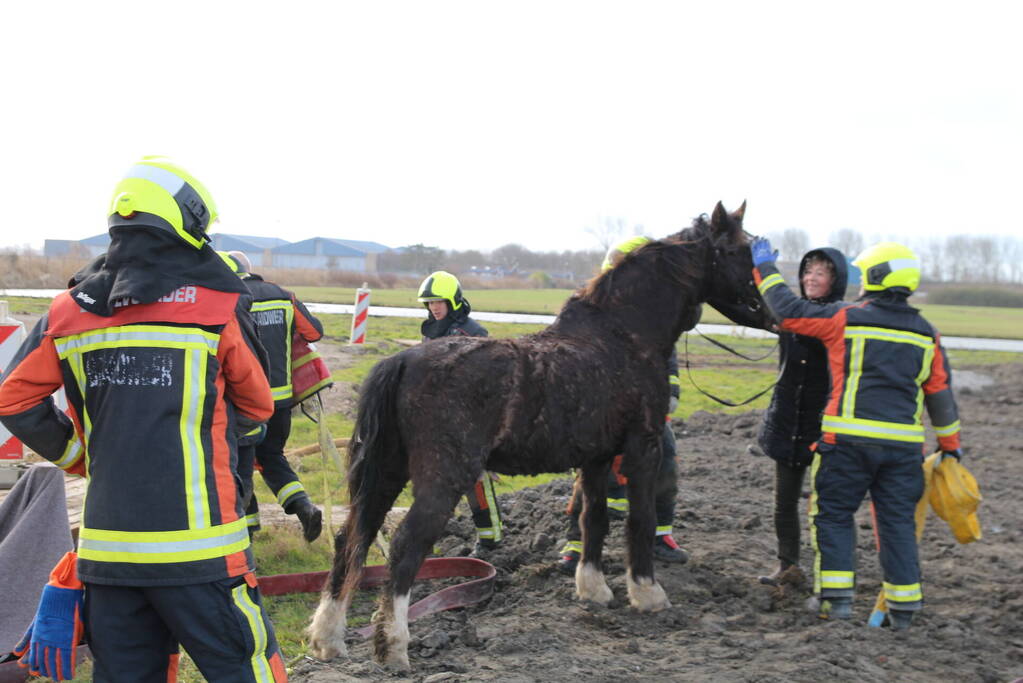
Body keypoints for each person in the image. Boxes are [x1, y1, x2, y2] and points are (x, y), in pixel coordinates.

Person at [0, 156, 288, 681]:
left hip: (109, 556)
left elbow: (14, 400)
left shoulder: (69, 310)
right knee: (246, 669)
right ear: (186, 224)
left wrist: (85, 457)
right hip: (205, 553)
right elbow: (257, 407)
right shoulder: (217, 306)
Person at [751, 239, 962, 630]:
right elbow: (941, 397)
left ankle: (837, 605)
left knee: (831, 518)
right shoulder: (927, 333)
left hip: (846, 445)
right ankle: (904, 611)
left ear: (876, 277)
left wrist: (764, 267)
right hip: (903, 453)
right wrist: (951, 448)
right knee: (897, 525)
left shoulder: (846, 318)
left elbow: (787, 311)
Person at [556, 236, 688, 574]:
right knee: (591, 476)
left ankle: (660, 537)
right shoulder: (589, 312)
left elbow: (666, 360)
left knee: (665, 462)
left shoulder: (655, 317)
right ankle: (577, 545)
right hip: (601, 411)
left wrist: (669, 394)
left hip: (644, 412)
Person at [755, 248, 848, 585]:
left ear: (835, 280)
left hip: (824, 428)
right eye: (807, 271)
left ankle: (829, 575)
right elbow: (761, 304)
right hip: (787, 423)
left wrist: (765, 265)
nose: (811, 277)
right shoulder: (789, 313)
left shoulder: (839, 315)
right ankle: (787, 566)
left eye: (820, 273)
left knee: (825, 510)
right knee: (784, 504)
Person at [220, 250, 325, 543]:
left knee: (240, 462)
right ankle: (303, 505)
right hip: (281, 402)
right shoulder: (283, 295)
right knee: (272, 456)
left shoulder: (228, 299)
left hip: (243, 401)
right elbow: (314, 333)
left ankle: (247, 532)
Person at [417, 270, 500, 556]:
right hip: (437, 421)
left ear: (453, 300)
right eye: (429, 303)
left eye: (438, 301)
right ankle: (429, 539)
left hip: (468, 422)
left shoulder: (474, 333)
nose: (434, 307)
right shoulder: (429, 331)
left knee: (475, 479)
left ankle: (490, 539)